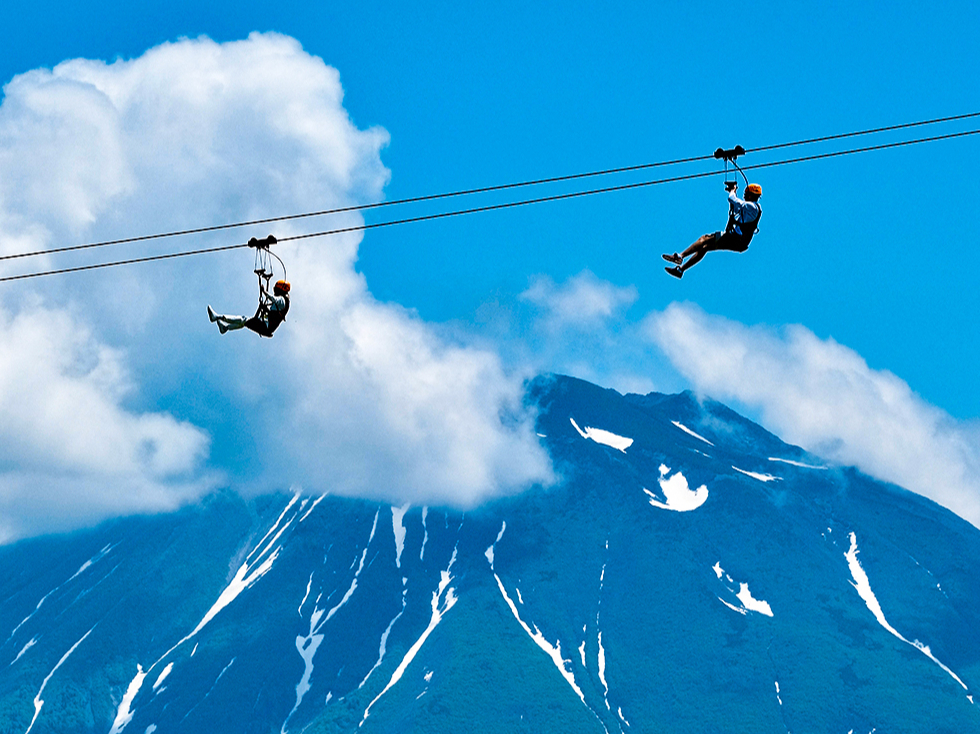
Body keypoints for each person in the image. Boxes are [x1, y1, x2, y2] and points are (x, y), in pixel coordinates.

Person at [663, 182, 762, 278]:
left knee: (705, 238)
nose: (744, 196)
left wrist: (733, 190)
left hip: (735, 239)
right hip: (738, 242)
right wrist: (732, 192)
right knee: (705, 247)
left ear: (751, 195)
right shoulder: (750, 209)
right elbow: (735, 206)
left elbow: (732, 199)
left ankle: (680, 256)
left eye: (746, 194)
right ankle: (680, 270)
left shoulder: (752, 207)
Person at [208, 279, 291, 337]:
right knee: (246, 322)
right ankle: (225, 328)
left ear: (281, 290)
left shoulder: (282, 299)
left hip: (266, 326)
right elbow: (273, 314)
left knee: (244, 320)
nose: (275, 292)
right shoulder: (283, 303)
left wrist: (264, 292)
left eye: (276, 290)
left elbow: (273, 299)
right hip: (266, 328)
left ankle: (217, 317)